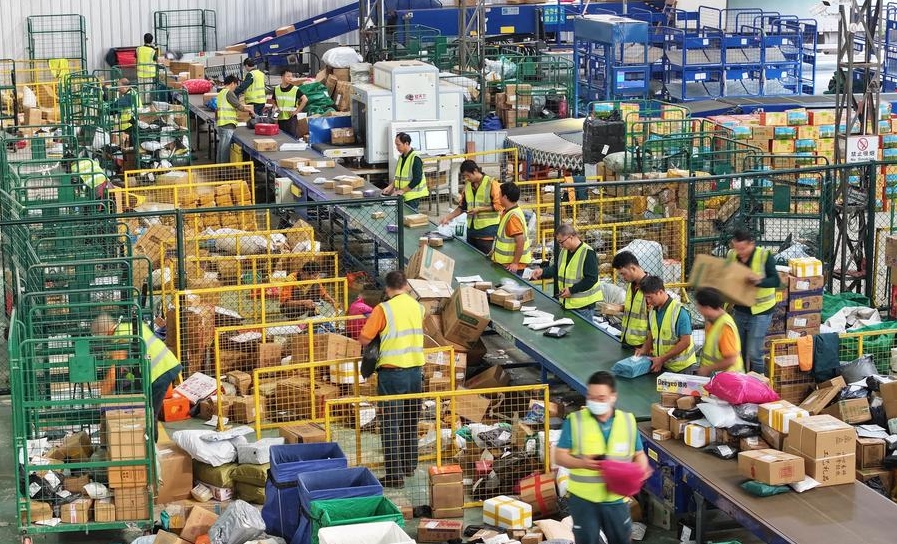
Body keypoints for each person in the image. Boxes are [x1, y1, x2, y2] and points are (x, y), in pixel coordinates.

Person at [555, 371, 650, 544]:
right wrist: (582, 463)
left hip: (616, 499)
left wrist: (642, 469)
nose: (595, 402)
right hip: (584, 500)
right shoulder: (574, 421)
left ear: (613, 397)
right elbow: (559, 456)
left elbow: (639, 454)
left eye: (601, 398)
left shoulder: (627, 421)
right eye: (591, 397)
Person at [358, 271, 425, 488]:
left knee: (390, 424)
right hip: (415, 372)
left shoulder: (383, 309)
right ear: (406, 285)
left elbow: (364, 338)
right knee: (410, 421)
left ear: (387, 288)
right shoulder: (418, 306)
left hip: (392, 374)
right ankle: (409, 465)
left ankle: (394, 476)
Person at [91, 314, 181, 443]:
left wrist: (101, 399)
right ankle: (148, 448)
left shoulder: (120, 336)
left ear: (104, 332)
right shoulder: (126, 327)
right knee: (148, 411)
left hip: (160, 371)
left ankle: (150, 450)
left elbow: (114, 370)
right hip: (165, 365)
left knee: (149, 413)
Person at [726, 228, 780, 374]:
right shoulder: (731, 255)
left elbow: (775, 280)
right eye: (737, 248)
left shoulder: (764, 256)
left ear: (752, 244)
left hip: (761, 310)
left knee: (754, 352)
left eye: (743, 248)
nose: (740, 252)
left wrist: (759, 281)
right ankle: (742, 380)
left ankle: (760, 381)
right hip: (740, 308)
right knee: (739, 350)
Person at [531, 223, 603, 321]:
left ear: (571, 237)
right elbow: (557, 268)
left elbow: (591, 279)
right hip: (568, 303)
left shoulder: (587, 253)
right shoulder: (565, 251)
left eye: (562, 242)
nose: (560, 245)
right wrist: (543, 272)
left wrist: (572, 290)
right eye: (559, 243)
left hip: (583, 307)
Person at [438, 159, 503, 254]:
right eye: (464, 176)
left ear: (475, 171)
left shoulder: (492, 183)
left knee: (483, 261)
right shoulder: (468, 186)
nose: (466, 179)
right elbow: (462, 207)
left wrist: (480, 210)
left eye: (468, 175)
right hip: (471, 231)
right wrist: (447, 218)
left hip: (487, 231)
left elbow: (499, 206)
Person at [634, 276, 697, 374]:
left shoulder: (679, 312)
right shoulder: (652, 311)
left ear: (660, 292)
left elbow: (685, 342)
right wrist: (644, 349)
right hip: (663, 364)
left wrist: (662, 359)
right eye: (646, 298)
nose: (648, 301)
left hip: (681, 369)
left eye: (650, 297)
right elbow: (651, 335)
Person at [694, 288, 744, 376]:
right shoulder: (711, 321)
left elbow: (731, 360)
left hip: (728, 378)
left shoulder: (725, 327)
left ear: (707, 308)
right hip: (717, 375)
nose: (698, 309)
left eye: (699, 307)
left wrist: (707, 369)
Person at [491, 181, 532, 275]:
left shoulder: (513, 217)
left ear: (505, 197)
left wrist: (515, 263)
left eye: (499, 194)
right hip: (505, 264)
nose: (498, 197)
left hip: (511, 267)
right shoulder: (509, 211)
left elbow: (520, 241)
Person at [611, 251, 649, 349]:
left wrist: (647, 347)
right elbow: (635, 309)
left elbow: (656, 321)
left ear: (633, 268)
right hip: (628, 340)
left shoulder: (651, 288)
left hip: (641, 345)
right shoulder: (631, 285)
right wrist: (620, 308)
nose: (623, 278)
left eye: (624, 274)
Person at [382, 132, 428, 211]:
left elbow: (417, 179)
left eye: (398, 145)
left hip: (412, 197)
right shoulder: (401, 157)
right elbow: (399, 177)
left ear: (406, 143)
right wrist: (391, 186)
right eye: (396, 145)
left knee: (409, 218)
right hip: (402, 195)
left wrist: (403, 190)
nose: (397, 147)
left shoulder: (415, 158)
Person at [216, 75, 254, 164]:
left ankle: (219, 169)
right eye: (236, 85)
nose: (235, 88)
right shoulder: (229, 93)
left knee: (221, 148)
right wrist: (249, 110)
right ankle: (224, 172)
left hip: (221, 123)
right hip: (227, 124)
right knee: (225, 149)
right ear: (232, 83)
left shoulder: (221, 93)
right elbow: (238, 106)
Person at [272, 70, 307, 138]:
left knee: (291, 137)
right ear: (282, 77)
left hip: (291, 118)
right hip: (280, 118)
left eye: (291, 76)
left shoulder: (295, 89)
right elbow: (273, 100)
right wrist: (276, 108)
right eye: (288, 76)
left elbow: (305, 99)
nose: (290, 78)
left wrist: (296, 111)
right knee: (281, 137)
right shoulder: (276, 89)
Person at [135, 33, 158, 102]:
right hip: (149, 75)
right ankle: (147, 108)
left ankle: (141, 107)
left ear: (144, 40)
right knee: (148, 93)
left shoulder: (138, 49)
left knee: (141, 92)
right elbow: (156, 60)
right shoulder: (153, 50)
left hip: (140, 74)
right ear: (151, 41)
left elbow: (135, 60)